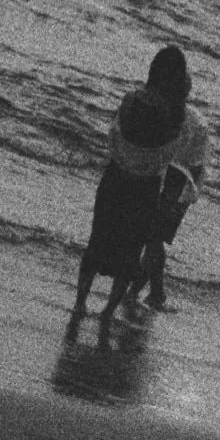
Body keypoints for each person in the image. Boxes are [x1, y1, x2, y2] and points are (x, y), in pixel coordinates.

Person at [67, 79, 178, 343]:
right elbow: (166, 157)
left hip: (116, 177)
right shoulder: (169, 119)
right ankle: (107, 311)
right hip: (146, 190)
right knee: (130, 252)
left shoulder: (130, 102)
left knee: (98, 239)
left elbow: (113, 137)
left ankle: (80, 303)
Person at [137, 44, 210, 310]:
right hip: (181, 185)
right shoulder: (193, 120)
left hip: (169, 182)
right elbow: (197, 166)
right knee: (154, 238)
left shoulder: (155, 108)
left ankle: (154, 292)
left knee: (151, 237)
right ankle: (146, 292)